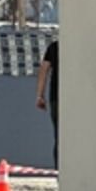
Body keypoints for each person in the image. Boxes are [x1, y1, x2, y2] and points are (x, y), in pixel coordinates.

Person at [36, 39, 59, 167]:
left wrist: (40, 95)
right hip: (77, 99)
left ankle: (59, 170)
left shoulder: (54, 47)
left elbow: (44, 70)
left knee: (59, 136)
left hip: (57, 97)